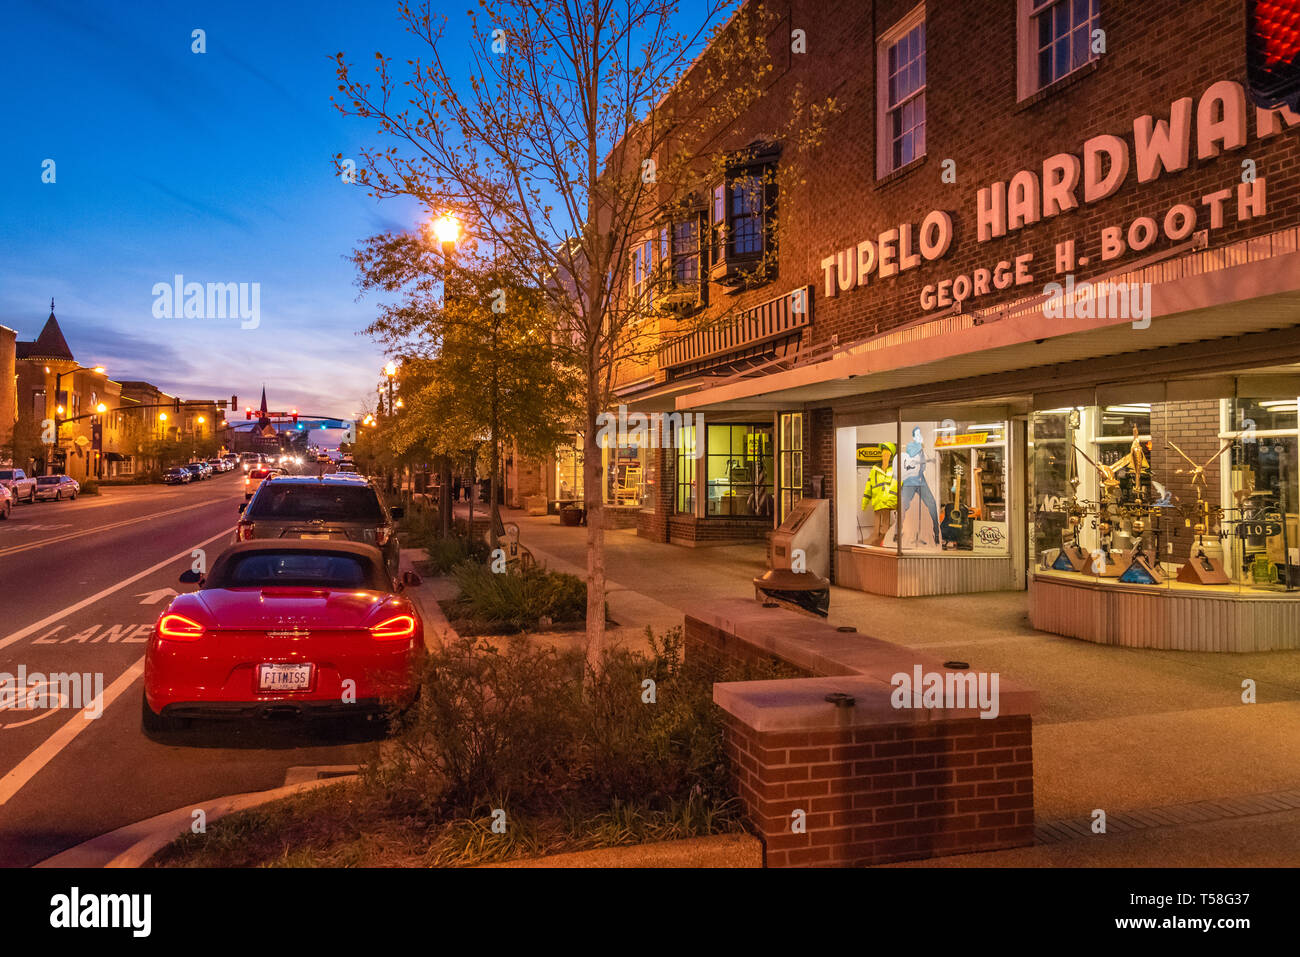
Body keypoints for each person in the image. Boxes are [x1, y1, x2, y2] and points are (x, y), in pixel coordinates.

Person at [899, 427, 940, 547]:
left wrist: (932, 459)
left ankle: (937, 533)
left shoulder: (923, 451)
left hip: (921, 481)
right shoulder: (911, 447)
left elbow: (928, 461)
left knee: (932, 503)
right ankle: (898, 533)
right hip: (910, 481)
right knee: (903, 506)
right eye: (917, 435)